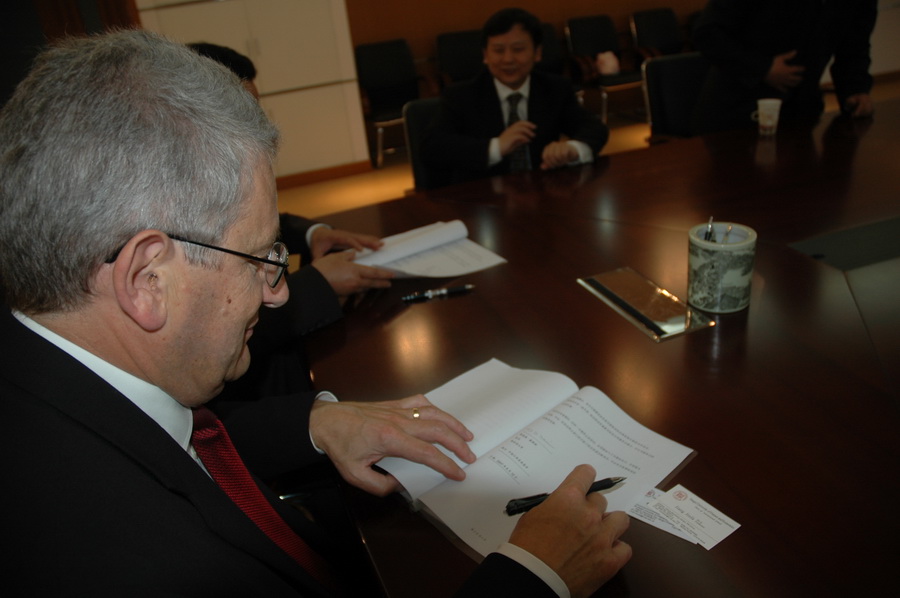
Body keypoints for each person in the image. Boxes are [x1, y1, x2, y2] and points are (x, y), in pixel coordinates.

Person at [0, 30, 631, 597]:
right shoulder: (128, 562)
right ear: (147, 280)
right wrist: (533, 577)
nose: (278, 293)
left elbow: (173, 441)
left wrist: (317, 421)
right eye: (259, 258)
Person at [422, 8, 609, 186]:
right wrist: (496, 147)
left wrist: (573, 149)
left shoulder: (554, 88)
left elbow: (594, 128)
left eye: (518, 49)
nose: (508, 59)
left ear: (537, 53)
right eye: (498, 50)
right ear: (485, 55)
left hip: (542, 191)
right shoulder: (461, 95)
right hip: (482, 195)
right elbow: (432, 146)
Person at [691, 0, 878, 134]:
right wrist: (764, 68)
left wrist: (856, 89)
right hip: (738, 110)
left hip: (800, 112)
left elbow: (854, 45)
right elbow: (707, 33)